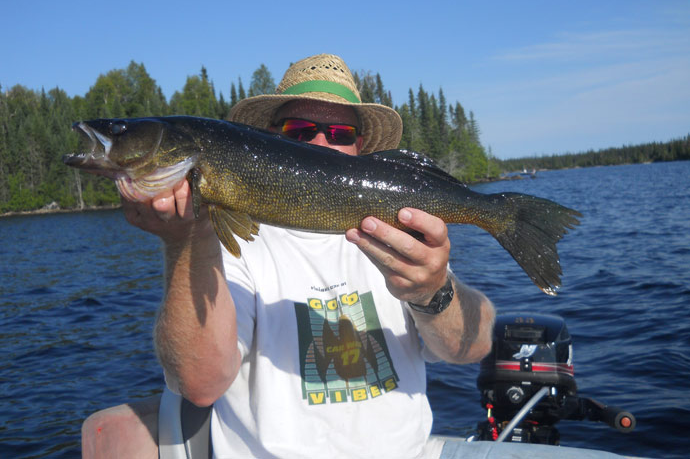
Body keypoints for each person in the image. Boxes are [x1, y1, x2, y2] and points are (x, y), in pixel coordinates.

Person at [82, 54, 495, 459]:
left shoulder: (397, 237)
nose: (320, 142)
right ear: (272, 137)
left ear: (361, 145)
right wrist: (184, 241)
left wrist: (434, 291)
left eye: (339, 133)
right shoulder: (229, 245)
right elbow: (199, 386)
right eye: (300, 130)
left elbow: (470, 349)